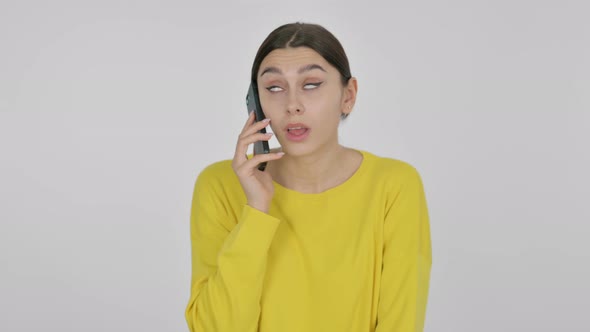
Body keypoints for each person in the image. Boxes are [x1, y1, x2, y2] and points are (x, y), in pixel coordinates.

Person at [185, 22, 433, 332]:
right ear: (256, 102)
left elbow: (401, 323)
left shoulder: (394, 185)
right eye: (274, 87)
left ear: (348, 95)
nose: (292, 105)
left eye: (312, 84)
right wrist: (256, 212)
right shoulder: (219, 185)